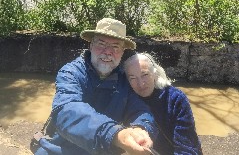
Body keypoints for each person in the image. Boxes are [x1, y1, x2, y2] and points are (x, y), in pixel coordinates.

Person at [34, 18, 158, 155]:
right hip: (61, 149)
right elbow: (67, 111)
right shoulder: (71, 72)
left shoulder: (124, 79)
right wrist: (116, 135)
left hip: (104, 149)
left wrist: (141, 129)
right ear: (91, 45)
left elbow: (140, 109)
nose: (108, 52)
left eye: (115, 47)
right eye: (102, 44)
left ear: (123, 52)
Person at [124, 53, 203, 155]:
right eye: (133, 78)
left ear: (155, 74)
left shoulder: (175, 99)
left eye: (145, 75)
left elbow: (186, 147)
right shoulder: (127, 101)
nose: (141, 83)